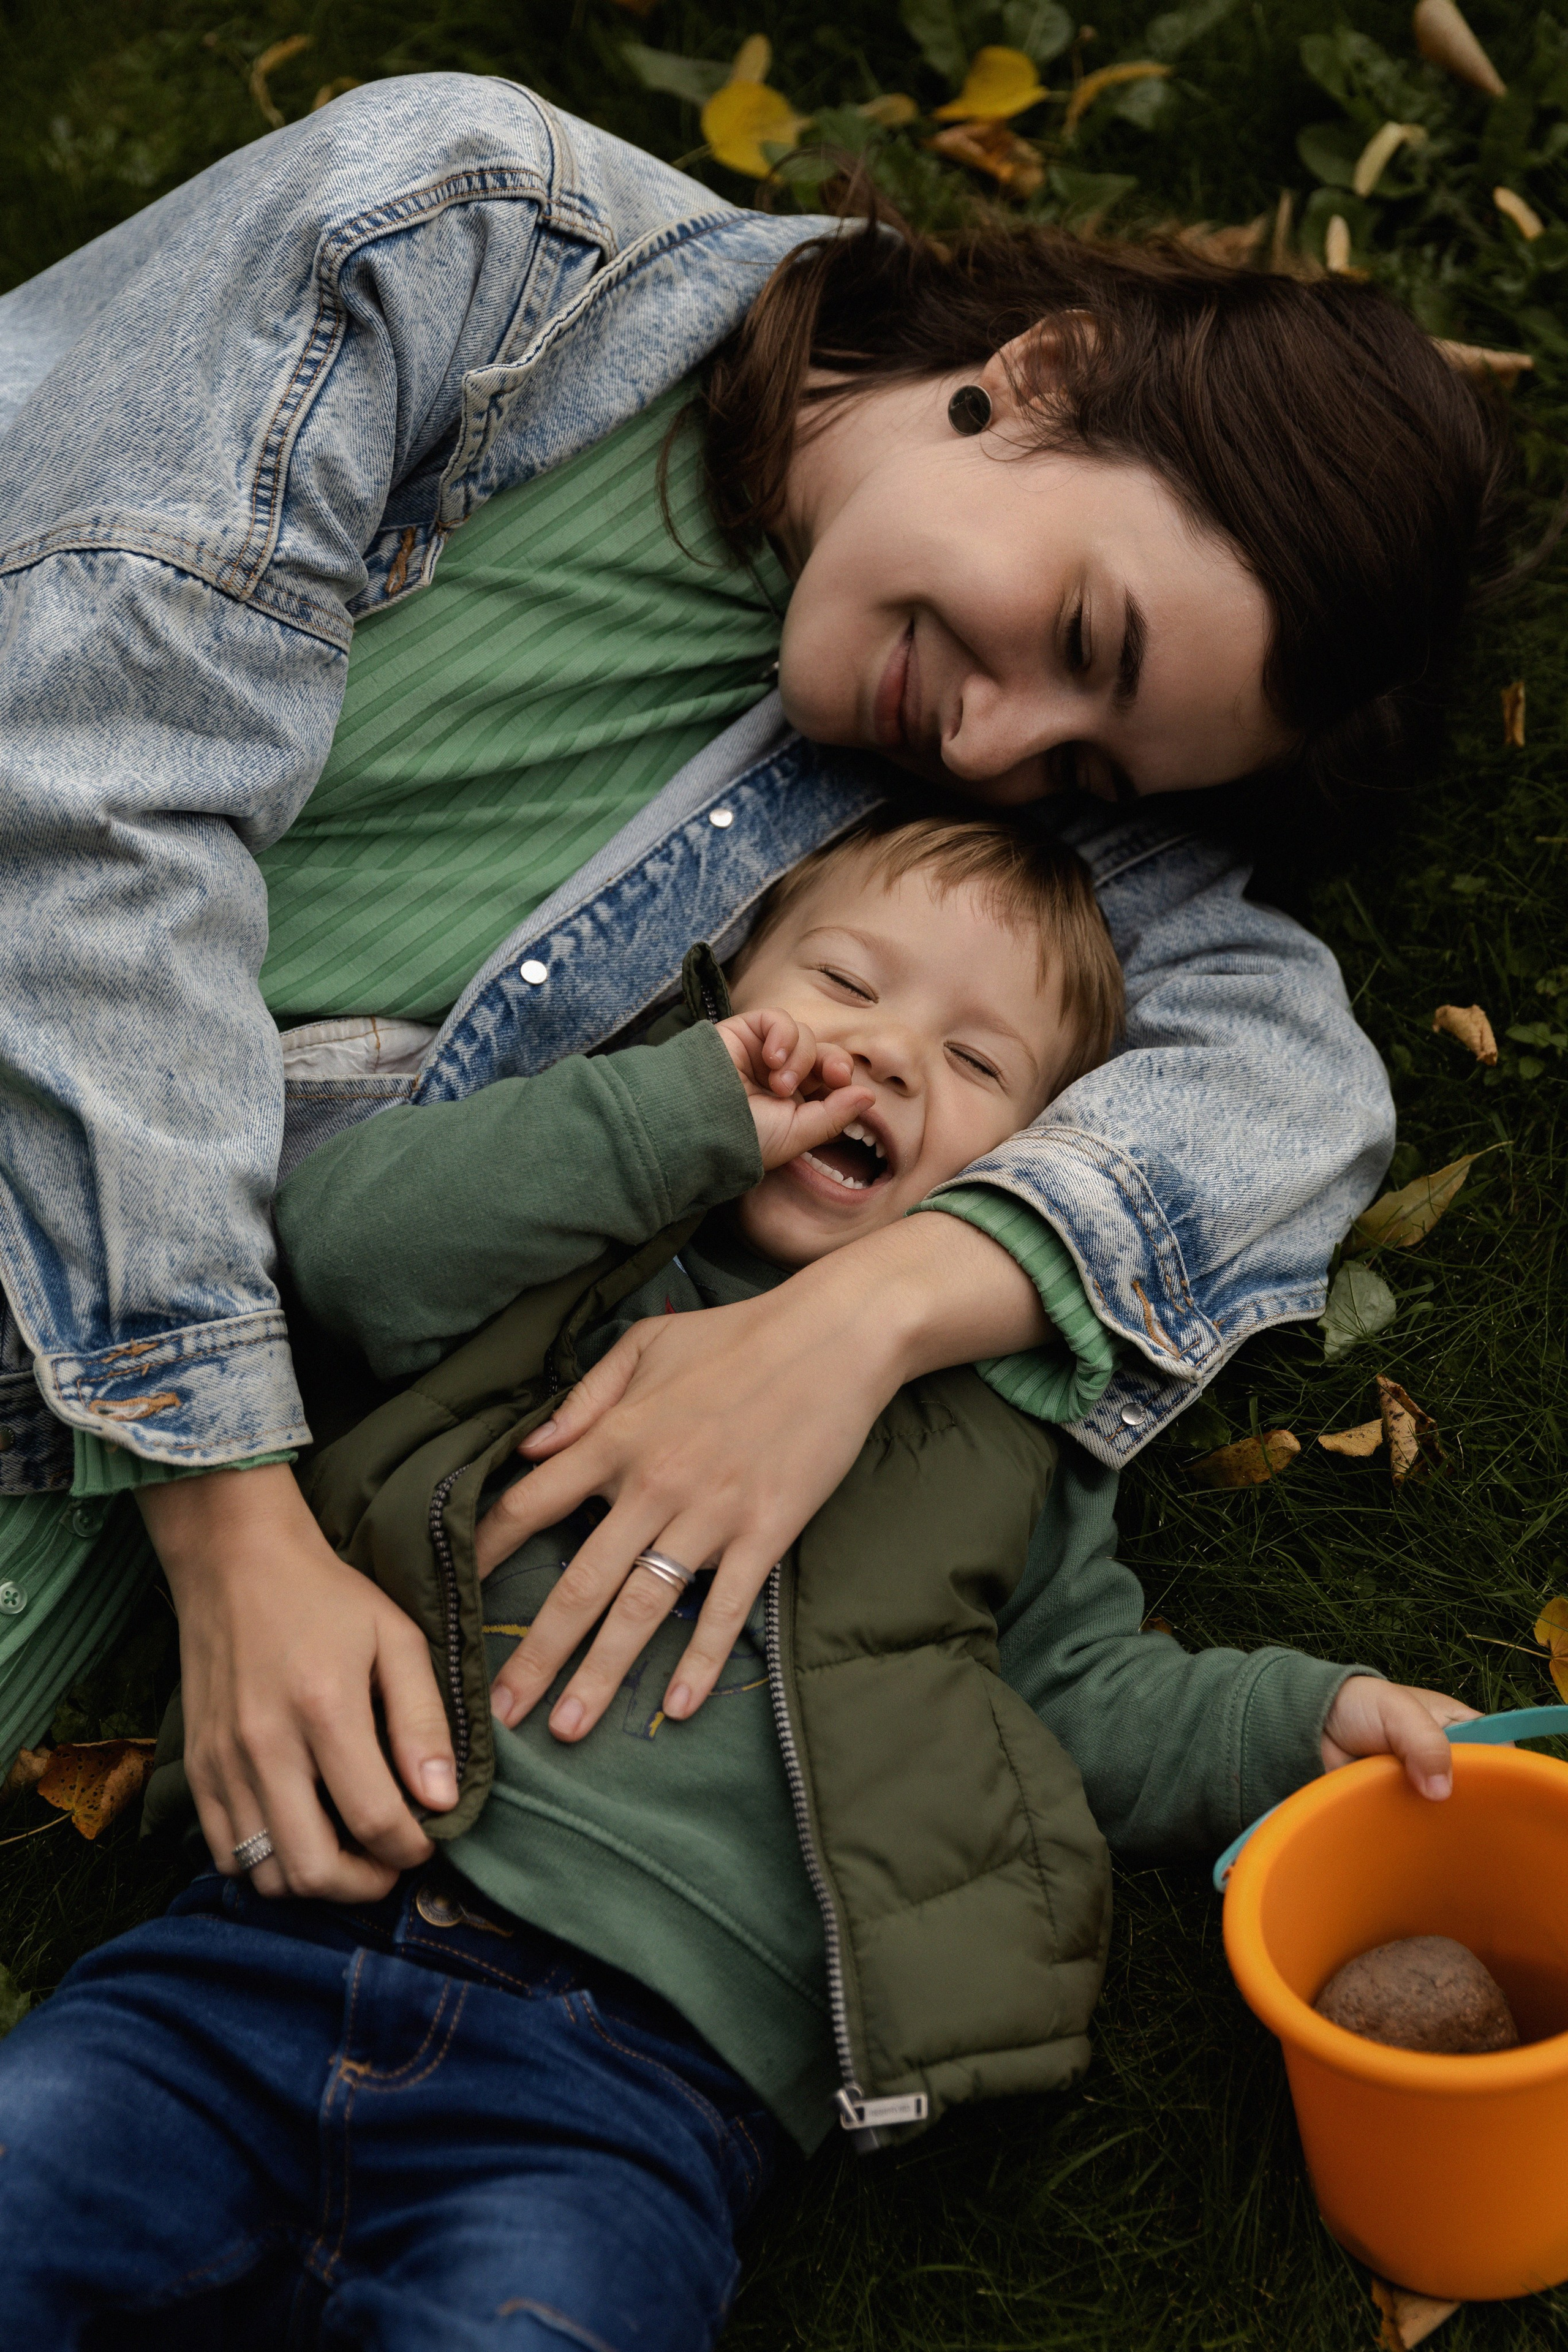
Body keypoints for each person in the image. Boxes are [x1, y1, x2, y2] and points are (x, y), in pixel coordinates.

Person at [0, 74, 1505, 1903]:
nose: (996, 737)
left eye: (1093, 774)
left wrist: (856, 1326)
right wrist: (229, 1521)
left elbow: (1286, 1074)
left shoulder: (941, 798)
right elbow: (78, 796)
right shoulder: (461, 234)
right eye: (1084, 637)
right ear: (1042, 371)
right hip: (141, 1390)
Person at [0, 809, 1476, 2348]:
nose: (892, 1056)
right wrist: (676, 1116)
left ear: (1033, 1160)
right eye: (841, 984)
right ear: (718, 1003)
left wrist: (1299, 1727)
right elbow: (347, 1247)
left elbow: (1085, 1700)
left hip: (630, 2083)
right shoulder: (573, 1235)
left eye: (977, 1067)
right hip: (257, 1950)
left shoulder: (1002, 1435)